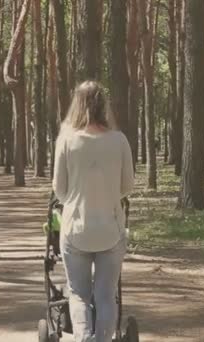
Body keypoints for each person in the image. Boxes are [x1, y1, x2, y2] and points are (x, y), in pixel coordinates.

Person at [52, 80, 135, 342]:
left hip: (76, 228)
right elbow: (127, 187)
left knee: (78, 293)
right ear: (103, 106)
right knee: (106, 295)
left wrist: (80, 196)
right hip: (110, 229)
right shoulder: (119, 140)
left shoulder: (66, 140)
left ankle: (83, 339)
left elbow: (60, 190)